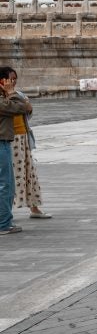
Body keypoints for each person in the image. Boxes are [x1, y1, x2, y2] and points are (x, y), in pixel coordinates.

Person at [1, 67, 34, 235]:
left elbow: (27, 107)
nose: (13, 82)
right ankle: (3, 224)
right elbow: (19, 108)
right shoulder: (4, 98)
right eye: (10, 79)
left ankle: (5, 220)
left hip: (7, 142)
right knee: (5, 184)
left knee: (7, 183)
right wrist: (12, 92)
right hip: (2, 143)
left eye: (14, 79)